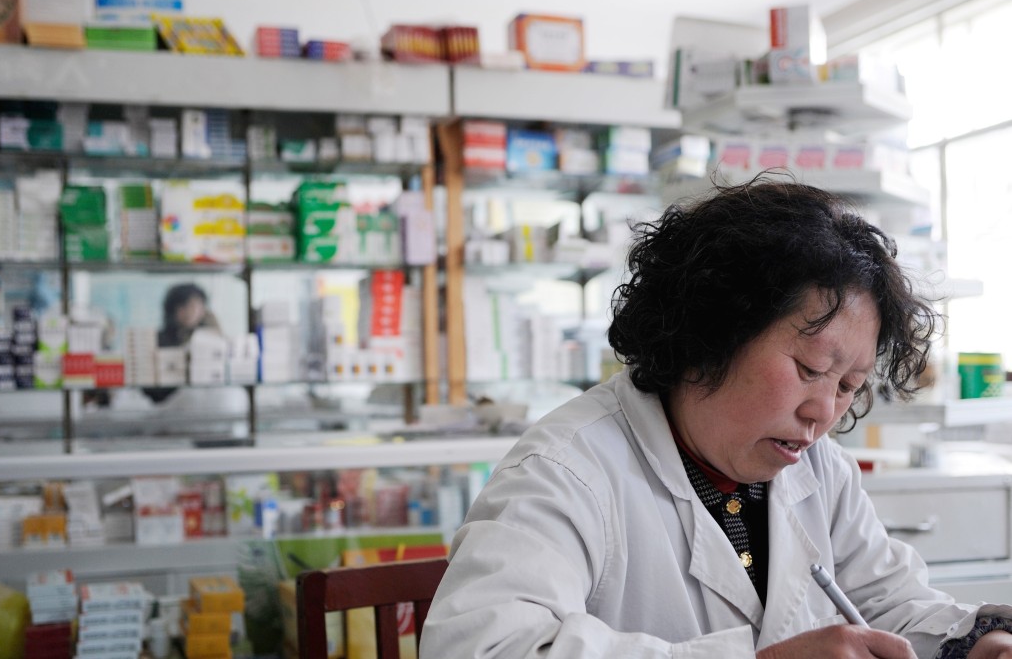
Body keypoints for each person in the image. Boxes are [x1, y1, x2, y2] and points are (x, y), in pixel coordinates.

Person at [421, 177, 1012, 658]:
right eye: (809, 369)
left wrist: (973, 642)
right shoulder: (566, 471)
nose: (823, 412)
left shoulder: (820, 472)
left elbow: (888, 607)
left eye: (849, 386)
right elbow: (482, 648)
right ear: (712, 332)